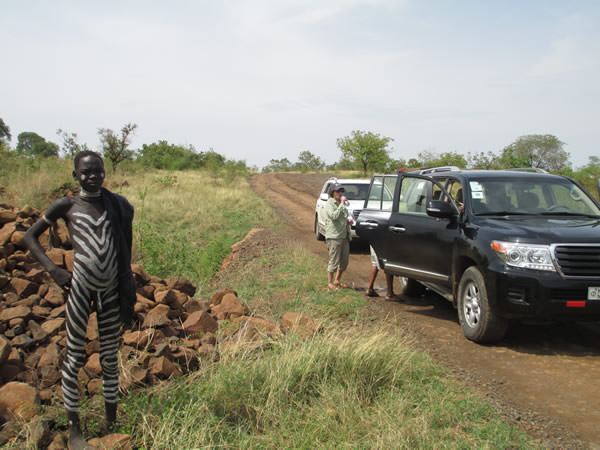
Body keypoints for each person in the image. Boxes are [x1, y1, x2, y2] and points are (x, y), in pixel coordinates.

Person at [24, 151, 136, 450]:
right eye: (86, 172)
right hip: (79, 290)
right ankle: (74, 429)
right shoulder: (67, 205)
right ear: (75, 175)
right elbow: (29, 237)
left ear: (104, 172)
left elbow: (125, 249)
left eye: (97, 171)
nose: (93, 176)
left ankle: (111, 422)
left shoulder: (120, 206)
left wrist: (128, 293)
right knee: (74, 358)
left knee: (110, 359)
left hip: (110, 291)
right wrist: (54, 270)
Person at [325, 183, 352, 290]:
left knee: (344, 260)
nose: (340, 193)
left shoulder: (341, 203)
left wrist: (348, 220)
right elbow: (333, 216)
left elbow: (343, 215)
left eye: (341, 191)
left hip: (344, 234)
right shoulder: (330, 203)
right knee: (334, 260)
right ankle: (330, 283)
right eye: (338, 191)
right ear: (332, 192)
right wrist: (341, 204)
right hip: (334, 236)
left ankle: (337, 280)